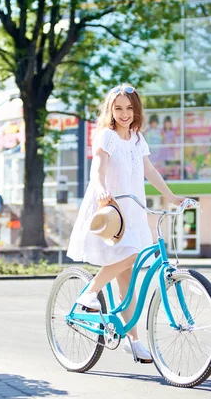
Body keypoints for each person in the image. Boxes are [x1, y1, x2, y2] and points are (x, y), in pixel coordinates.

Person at [67, 83, 186, 362]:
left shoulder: (136, 138)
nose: (124, 113)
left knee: (128, 281)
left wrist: (170, 196)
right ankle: (90, 292)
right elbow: (98, 168)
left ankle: (132, 341)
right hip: (110, 211)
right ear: (111, 110)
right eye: (118, 108)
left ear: (136, 109)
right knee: (134, 255)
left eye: (129, 108)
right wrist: (99, 188)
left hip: (133, 213)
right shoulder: (106, 136)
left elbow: (150, 170)